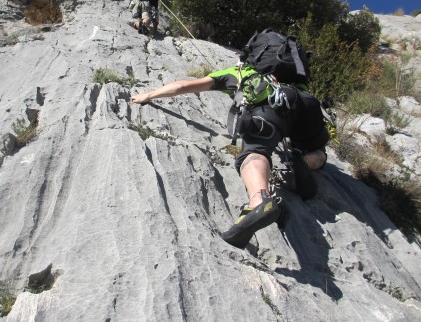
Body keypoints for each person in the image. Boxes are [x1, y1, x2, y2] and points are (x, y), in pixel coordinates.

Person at [131, 50, 329, 249]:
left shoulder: (239, 71)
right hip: (306, 106)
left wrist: (148, 95)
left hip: (271, 108)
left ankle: (259, 201)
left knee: (255, 151)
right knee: (316, 151)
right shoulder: (294, 76)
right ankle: (305, 161)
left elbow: (183, 86)